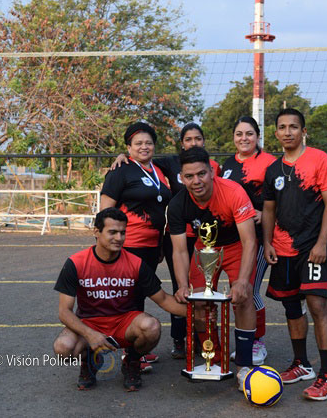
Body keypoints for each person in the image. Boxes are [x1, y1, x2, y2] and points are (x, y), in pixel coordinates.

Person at [110, 123, 220, 359]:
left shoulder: (213, 166)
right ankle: (177, 341)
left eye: (198, 138)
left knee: (204, 288)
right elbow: (139, 161)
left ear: (204, 141)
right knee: (179, 289)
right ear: (182, 144)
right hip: (175, 237)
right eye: (188, 139)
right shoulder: (169, 163)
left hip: (203, 239)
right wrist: (122, 156)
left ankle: (204, 340)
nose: (193, 143)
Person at [52, 208, 186, 392]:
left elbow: (164, 300)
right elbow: (64, 312)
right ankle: (89, 360)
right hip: (90, 322)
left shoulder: (135, 263)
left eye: (123, 232)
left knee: (152, 327)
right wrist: (90, 335)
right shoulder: (76, 263)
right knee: (63, 348)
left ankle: (132, 360)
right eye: (112, 232)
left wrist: (196, 313)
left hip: (124, 322)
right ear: (96, 232)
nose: (119, 238)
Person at [262, 108, 327, 401]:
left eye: (293, 126)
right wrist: (267, 242)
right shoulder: (273, 169)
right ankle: (302, 364)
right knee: (291, 306)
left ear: (303, 131)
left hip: (311, 248)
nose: (288, 132)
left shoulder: (319, 159)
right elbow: (269, 209)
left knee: (318, 305)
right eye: (282, 127)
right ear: (276, 133)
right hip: (282, 249)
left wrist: (321, 243)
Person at [167, 146, 257, 391]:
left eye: (201, 174)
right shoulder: (177, 204)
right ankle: (214, 360)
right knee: (198, 301)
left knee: (243, 297)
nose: (196, 181)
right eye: (189, 176)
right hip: (204, 248)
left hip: (236, 245)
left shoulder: (233, 192)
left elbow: (250, 241)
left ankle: (245, 365)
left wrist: (243, 281)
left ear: (212, 172)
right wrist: (182, 285)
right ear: (181, 178)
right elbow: (179, 250)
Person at [100, 121, 172, 367]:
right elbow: (105, 211)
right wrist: (107, 244)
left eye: (148, 142)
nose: (144, 147)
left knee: (138, 295)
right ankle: (128, 352)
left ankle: (136, 347)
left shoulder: (158, 170)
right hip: (128, 245)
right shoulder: (120, 170)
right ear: (128, 147)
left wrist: (160, 244)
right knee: (128, 298)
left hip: (151, 246)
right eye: (138, 143)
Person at [221, 116, 276, 365]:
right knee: (238, 290)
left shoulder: (270, 163)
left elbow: (283, 197)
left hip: (259, 238)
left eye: (249, 133)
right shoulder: (228, 164)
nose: (244, 138)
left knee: (250, 290)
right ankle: (245, 340)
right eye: (239, 134)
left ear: (258, 136)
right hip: (234, 240)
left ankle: (257, 342)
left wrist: (265, 214)